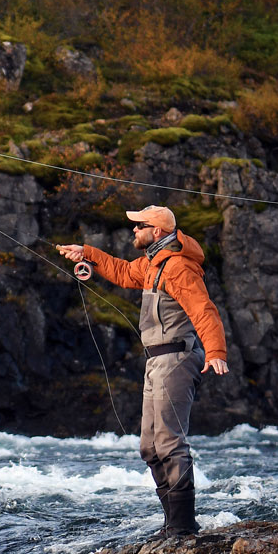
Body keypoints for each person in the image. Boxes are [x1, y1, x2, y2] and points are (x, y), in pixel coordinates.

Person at [56, 206, 229, 536]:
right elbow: (121, 272)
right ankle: (173, 524)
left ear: (159, 232)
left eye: (140, 226)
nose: (133, 231)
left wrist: (216, 352)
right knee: (149, 448)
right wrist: (87, 253)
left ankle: (182, 528)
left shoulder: (178, 268)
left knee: (169, 443)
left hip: (176, 359)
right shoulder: (153, 264)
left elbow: (204, 310)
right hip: (156, 362)